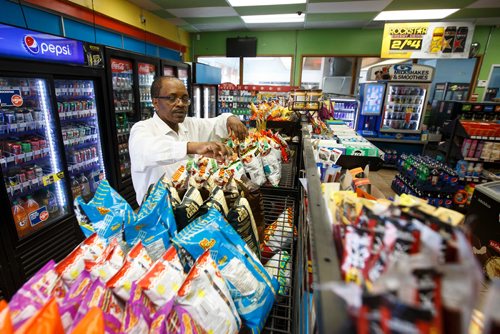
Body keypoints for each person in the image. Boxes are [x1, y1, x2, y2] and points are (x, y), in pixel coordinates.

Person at [129, 76, 248, 204]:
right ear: (155, 103)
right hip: (157, 214)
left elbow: (216, 124)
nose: (180, 104)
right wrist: (193, 147)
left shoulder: (189, 124)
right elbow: (149, 151)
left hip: (190, 209)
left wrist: (230, 118)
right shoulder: (142, 129)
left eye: (185, 99)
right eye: (172, 98)